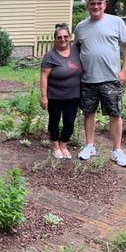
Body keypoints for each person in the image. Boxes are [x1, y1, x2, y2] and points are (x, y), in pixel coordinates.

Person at [74, 0, 126, 167]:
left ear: (105, 5)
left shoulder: (116, 22)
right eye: (92, 3)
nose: (96, 6)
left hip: (110, 79)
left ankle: (116, 151)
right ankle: (90, 146)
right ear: (88, 6)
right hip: (88, 79)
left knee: (115, 114)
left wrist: (124, 70)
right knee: (88, 113)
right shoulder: (81, 27)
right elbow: (75, 49)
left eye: (99, 3)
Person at [40, 23, 82, 159]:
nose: (62, 39)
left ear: (70, 37)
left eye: (65, 36)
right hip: (55, 96)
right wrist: (44, 96)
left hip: (73, 95)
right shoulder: (50, 56)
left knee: (69, 122)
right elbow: (44, 77)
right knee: (54, 120)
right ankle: (55, 146)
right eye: (59, 37)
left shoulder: (76, 50)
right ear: (55, 39)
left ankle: (63, 144)